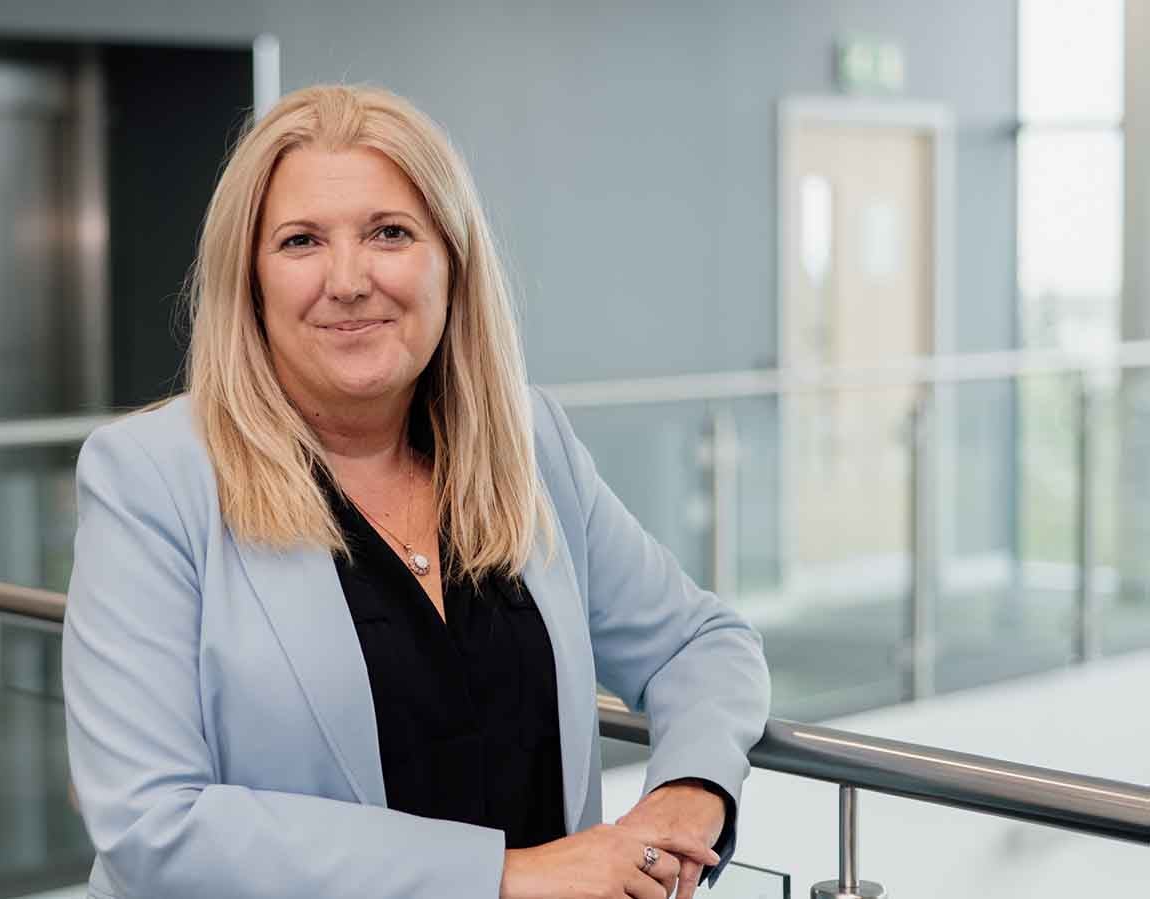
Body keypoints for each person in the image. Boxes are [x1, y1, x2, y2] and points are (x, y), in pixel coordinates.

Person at [62, 84, 770, 899]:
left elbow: (700, 642)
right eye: (300, 242)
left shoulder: (528, 443)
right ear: (249, 282)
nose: (348, 279)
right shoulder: (150, 476)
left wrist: (690, 793)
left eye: (389, 233)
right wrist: (504, 877)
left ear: (451, 261)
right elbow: (153, 820)